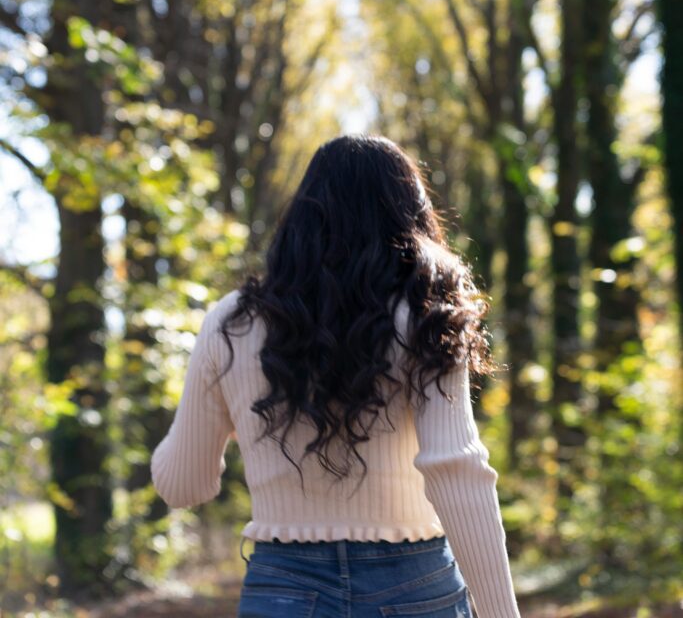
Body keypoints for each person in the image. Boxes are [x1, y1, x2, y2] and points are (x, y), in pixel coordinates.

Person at [151, 134, 521, 618]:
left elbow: (183, 486)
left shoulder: (230, 322)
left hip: (283, 588)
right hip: (415, 586)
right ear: (411, 215)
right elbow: (457, 470)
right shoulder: (426, 311)